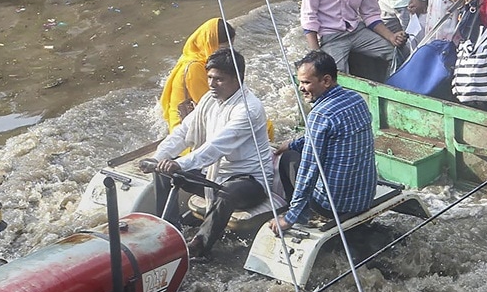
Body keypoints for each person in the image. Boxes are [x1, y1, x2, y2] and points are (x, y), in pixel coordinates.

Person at [146, 48, 277, 257]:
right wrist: (159, 157)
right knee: (163, 171)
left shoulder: (248, 109)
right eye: (209, 77)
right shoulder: (209, 100)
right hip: (213, 175)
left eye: (219, 79)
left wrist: (181, 163)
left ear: (238, 79)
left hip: (249, 180)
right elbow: (183, 131)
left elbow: (215, 147)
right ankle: (170, 230)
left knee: (227, 192)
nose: (212, 84)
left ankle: (199, 247)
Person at [268, 51, 377, 235]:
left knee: (289, 160)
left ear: (326, 81)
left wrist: (290, 217)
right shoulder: (356, 99)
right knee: (293, 151)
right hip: (365, 197)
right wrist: (294, 143)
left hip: (334, 205)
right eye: (300, 82)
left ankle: (301, 216)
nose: (301, 88)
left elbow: (309, 169)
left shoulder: (319, 115)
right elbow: (332, 135)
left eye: (306, 82)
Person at [159, 18, 234, 130]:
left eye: (231, 46)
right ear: (209, 44)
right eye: (224, 48)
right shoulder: (194, 68)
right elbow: (212, 107)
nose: (229, 52)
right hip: (185, 131)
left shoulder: (200, 56)